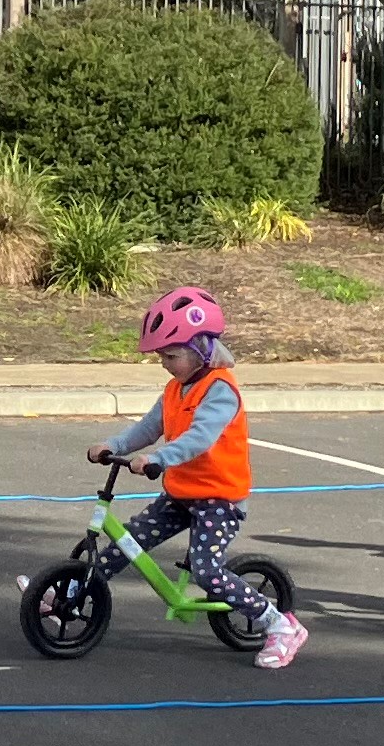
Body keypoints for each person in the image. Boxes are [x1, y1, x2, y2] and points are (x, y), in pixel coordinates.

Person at [88, 285, 308, 670]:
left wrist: (158, 460)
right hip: (181, 493)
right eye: (161, 357)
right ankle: (73, 592)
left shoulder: (220, 391)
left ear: (203, 348)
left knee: (207, 570)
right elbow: (148, 427)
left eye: (171, 356)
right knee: (127, 540)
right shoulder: (176, 388)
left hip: (218, 499)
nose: (165, 364)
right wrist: (113, 445)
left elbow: (200, 438)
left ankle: (280, 626)